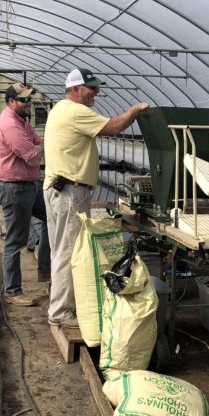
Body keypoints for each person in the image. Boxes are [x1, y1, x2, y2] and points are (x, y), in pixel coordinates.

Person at [43, 68, 149, 328]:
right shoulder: (75, 111)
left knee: (61, 251)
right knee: (69, 252)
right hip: (70, 191)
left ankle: (62, 304)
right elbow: (113, 127)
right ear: (75, 89)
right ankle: (60, 312)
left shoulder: (59, 109)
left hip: (59, 189)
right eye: (91, 88)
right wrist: (135, 110)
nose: (96, 92)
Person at [0, 83, 51, 306]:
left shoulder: (23, 121)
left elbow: (39, 143)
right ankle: (13, 291)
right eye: (24, 100)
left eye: (29, 99)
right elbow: (33, 157)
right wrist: (39, 148)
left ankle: (45, 269)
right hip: (13, 188)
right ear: (11, 102)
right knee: (16, 240)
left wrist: (39, 147)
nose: (29, 103)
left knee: (51, 218)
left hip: (29, 185)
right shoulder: (9, 125)